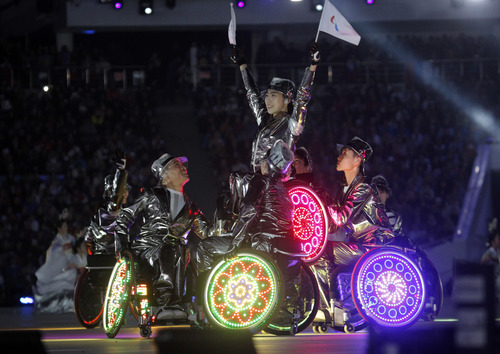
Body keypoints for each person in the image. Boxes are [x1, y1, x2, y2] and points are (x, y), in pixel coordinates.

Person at [114, 153, 210, 320]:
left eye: (182, 165)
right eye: (176, 165)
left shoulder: (191, 206)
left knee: (190, 252)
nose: (183, 167)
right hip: (149, 248)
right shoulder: (151, 195)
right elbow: (124, 217)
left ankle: (190, 302)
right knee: (170, 248)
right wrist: (121, 246)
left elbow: (207, 230)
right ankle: (164, 301)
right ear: (163, 177)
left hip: (177, 250)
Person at [315, 137, 394, 307]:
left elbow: (341, 217)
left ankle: (330, 304)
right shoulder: (346, 189)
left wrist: (325, 202)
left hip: (373, 247)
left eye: (344, 154)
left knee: (320, 253)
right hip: (360, 245)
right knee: (318, 249)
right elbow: (334, 224)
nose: (339, 157)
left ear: (357, 160)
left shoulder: (364, 187)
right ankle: (330, 301)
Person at [230, 42, 320, 172]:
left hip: (275, 183)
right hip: (258, 179)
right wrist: (242, 64)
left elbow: (302, 98)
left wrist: (313, 65)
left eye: (273, 95)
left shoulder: (292, 125)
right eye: (267, 95)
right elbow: (252, 93)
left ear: (287, 99)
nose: (267, 100)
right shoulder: (264, 118)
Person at [34, 211, 86, 313]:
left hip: (73, 265)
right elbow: (55, 256)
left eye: (67, 226)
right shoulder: (56, 242)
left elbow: (76, 246)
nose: (66, 229)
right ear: (59, 229)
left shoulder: (70, 238)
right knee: (70, 274)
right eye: (64, 226)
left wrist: (80, 237)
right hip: (63, 269)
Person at [85, 150, 129, 255]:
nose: (126, 193)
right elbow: (116, 195)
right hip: (114, 261)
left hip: (102, 263)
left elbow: (88, 239)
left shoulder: (98, 212)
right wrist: (120, 172)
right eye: (124, 189)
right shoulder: (111, 208)